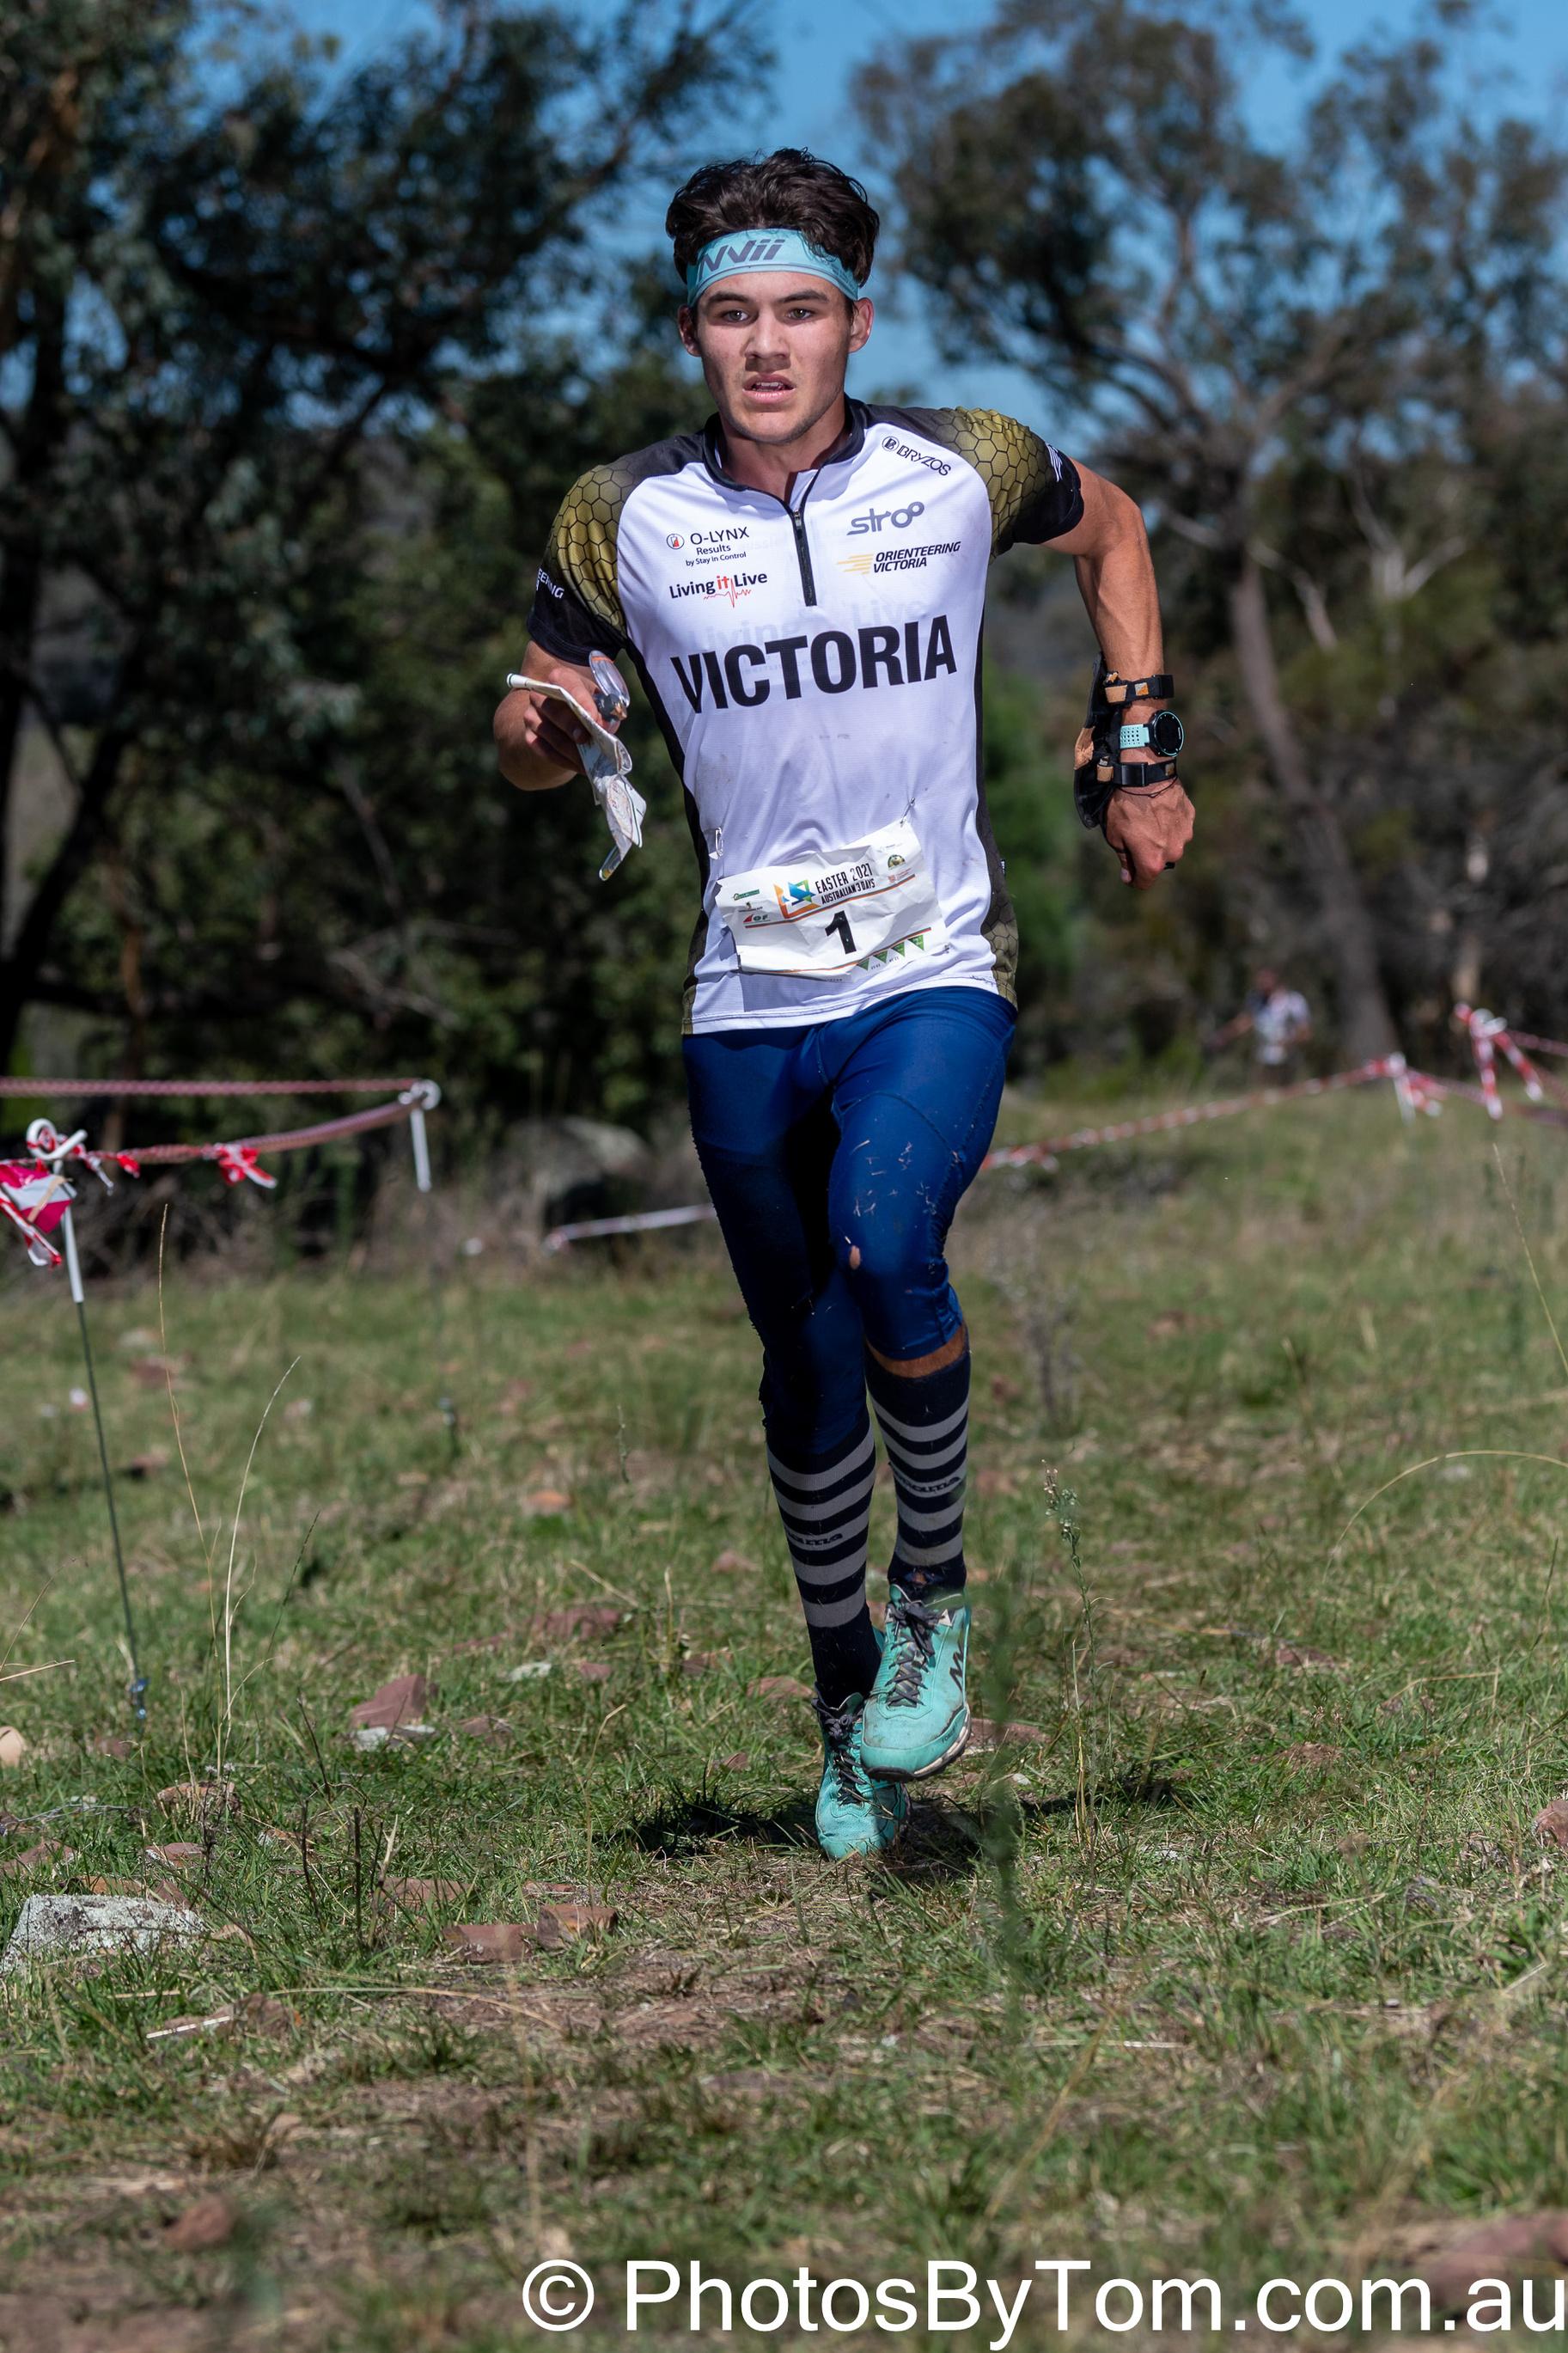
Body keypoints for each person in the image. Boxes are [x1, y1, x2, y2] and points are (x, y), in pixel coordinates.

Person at [494, 150, 1193, 1858]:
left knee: (890, 1241)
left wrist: (1138, 742)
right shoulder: (618, 514)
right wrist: (546, 731)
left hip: (932, 965)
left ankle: (934, 1602)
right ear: (692, 332)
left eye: (800, 312)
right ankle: (843, 1700)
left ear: (856, 323)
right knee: (806, 1372)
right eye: (733, 314)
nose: (767, 345)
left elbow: (1114, 528)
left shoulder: (963, 465)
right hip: (745, 994)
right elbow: (531, 714)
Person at [1210, 968, 1313, 1073]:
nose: (1262, 982)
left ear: (1275, 978)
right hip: (1263, 1059)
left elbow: (1306, 1033)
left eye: (1265, 978)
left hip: (1289, 1060)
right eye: (1259, 979)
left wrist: (1288, 1042)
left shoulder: (1293, 1001)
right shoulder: (1255, 1000)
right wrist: (1224, 1035)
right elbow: (1243, 1023)